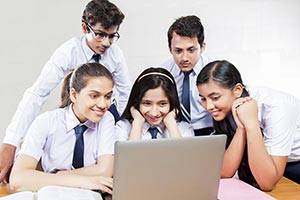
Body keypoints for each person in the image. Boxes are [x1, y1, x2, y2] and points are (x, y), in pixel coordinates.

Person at [0, 0, 131, 183]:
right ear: (85, 28)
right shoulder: (68, 52)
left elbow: (124, 92)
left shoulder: (115, 55)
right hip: (72, 118)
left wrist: (107, 120)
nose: (107, 43)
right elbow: (37, 94)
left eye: (112, 36)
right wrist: (11, 142)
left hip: (98, 123)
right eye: (100, 35)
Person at [9, 62, 115, 194]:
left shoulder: (106, 119)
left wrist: (59, 176)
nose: (103, 104)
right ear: (74, 95)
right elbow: (18, 179)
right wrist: (83, 181)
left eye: (108, 96)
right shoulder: (46, 121)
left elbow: (105, 170)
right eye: (94, 96)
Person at [196, 60, 300, 191]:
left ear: (238, 90)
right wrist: (242, 127)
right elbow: (225, 173)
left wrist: (251, 123)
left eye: (215, 97)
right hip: (266, 166)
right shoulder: (226, 107)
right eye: (203, 99)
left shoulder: (277, 107)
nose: (209, 106)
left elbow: (267, 184)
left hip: (294, 164)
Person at [161, 15, 213, 136]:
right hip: (176, 129)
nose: (184, 58)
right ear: (170, 49)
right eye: (178, 51)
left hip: (210, 130)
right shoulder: (164, 72)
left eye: (191, 50)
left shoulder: (214, 70)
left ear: (202, 47)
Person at [116, 67, 194, 141]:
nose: (154, 113)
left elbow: (183, 154)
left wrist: (171, 124)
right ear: (137, 102)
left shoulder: (183, 128)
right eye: (147, 103)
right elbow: (129, 155)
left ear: (172, 103)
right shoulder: (123, 127)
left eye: (162, 104)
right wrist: (137, 123)